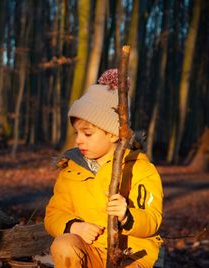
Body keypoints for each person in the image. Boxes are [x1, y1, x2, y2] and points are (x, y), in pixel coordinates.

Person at [44, 69, 163, 268]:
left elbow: (152, 220)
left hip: (131, 257)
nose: (78, 140)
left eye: (87, 134)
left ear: (113, 134)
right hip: (89, 252)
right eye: (77, 133)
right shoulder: (71, 170)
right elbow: (53, 214)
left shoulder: (140, 170)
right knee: (64, 244)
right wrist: (74, 226)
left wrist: (127, 216)